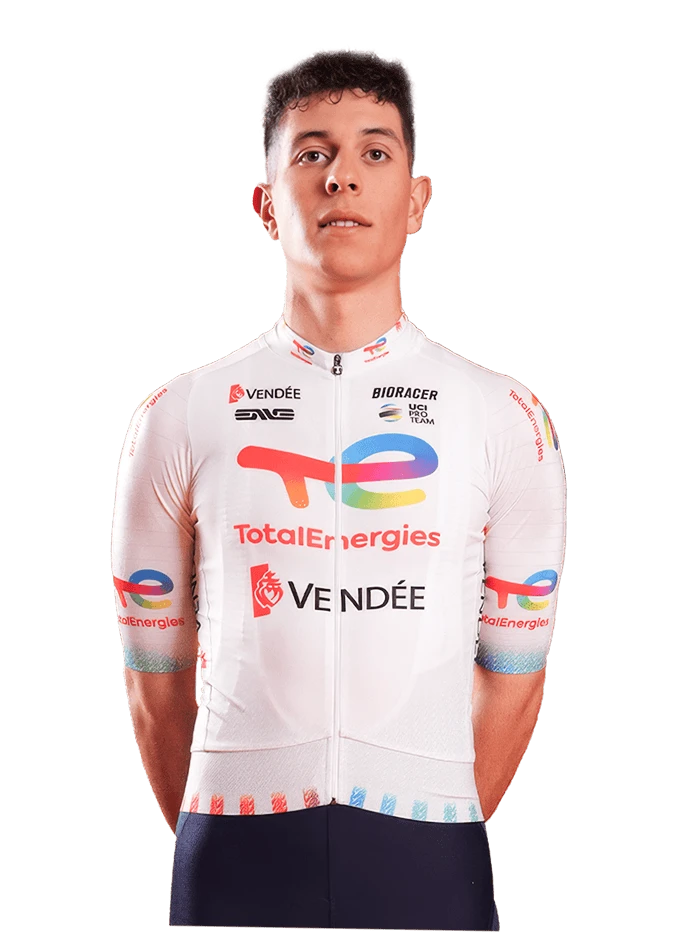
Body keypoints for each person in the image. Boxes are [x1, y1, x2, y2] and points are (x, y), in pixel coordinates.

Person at [111, 47, 566, 931]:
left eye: (374, 152)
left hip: (431, 848)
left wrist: (433, 813)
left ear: (417, 201)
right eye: (312, 153)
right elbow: (154, 680)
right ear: (264, 205)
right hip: (230, 845)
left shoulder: (503, 415)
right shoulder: (178, 414)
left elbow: (515, 675)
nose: (341, 178)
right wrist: (213, 817)